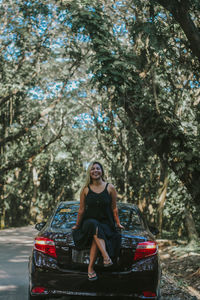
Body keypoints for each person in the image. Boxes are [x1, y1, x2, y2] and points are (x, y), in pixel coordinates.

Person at [72, 161, 124, 281]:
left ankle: (90, 269)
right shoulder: (85, 189)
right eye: (92, 169)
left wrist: (118, 223)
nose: (95, 170)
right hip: (88, 223)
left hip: (106, 223)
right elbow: (81, 210)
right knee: (93, 225)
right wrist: (77, 225)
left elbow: (114, 208)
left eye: (98, 168)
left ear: (102, 171)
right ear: (89, 172)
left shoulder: (110, 188)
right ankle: (106, 257)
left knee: (97, 232)